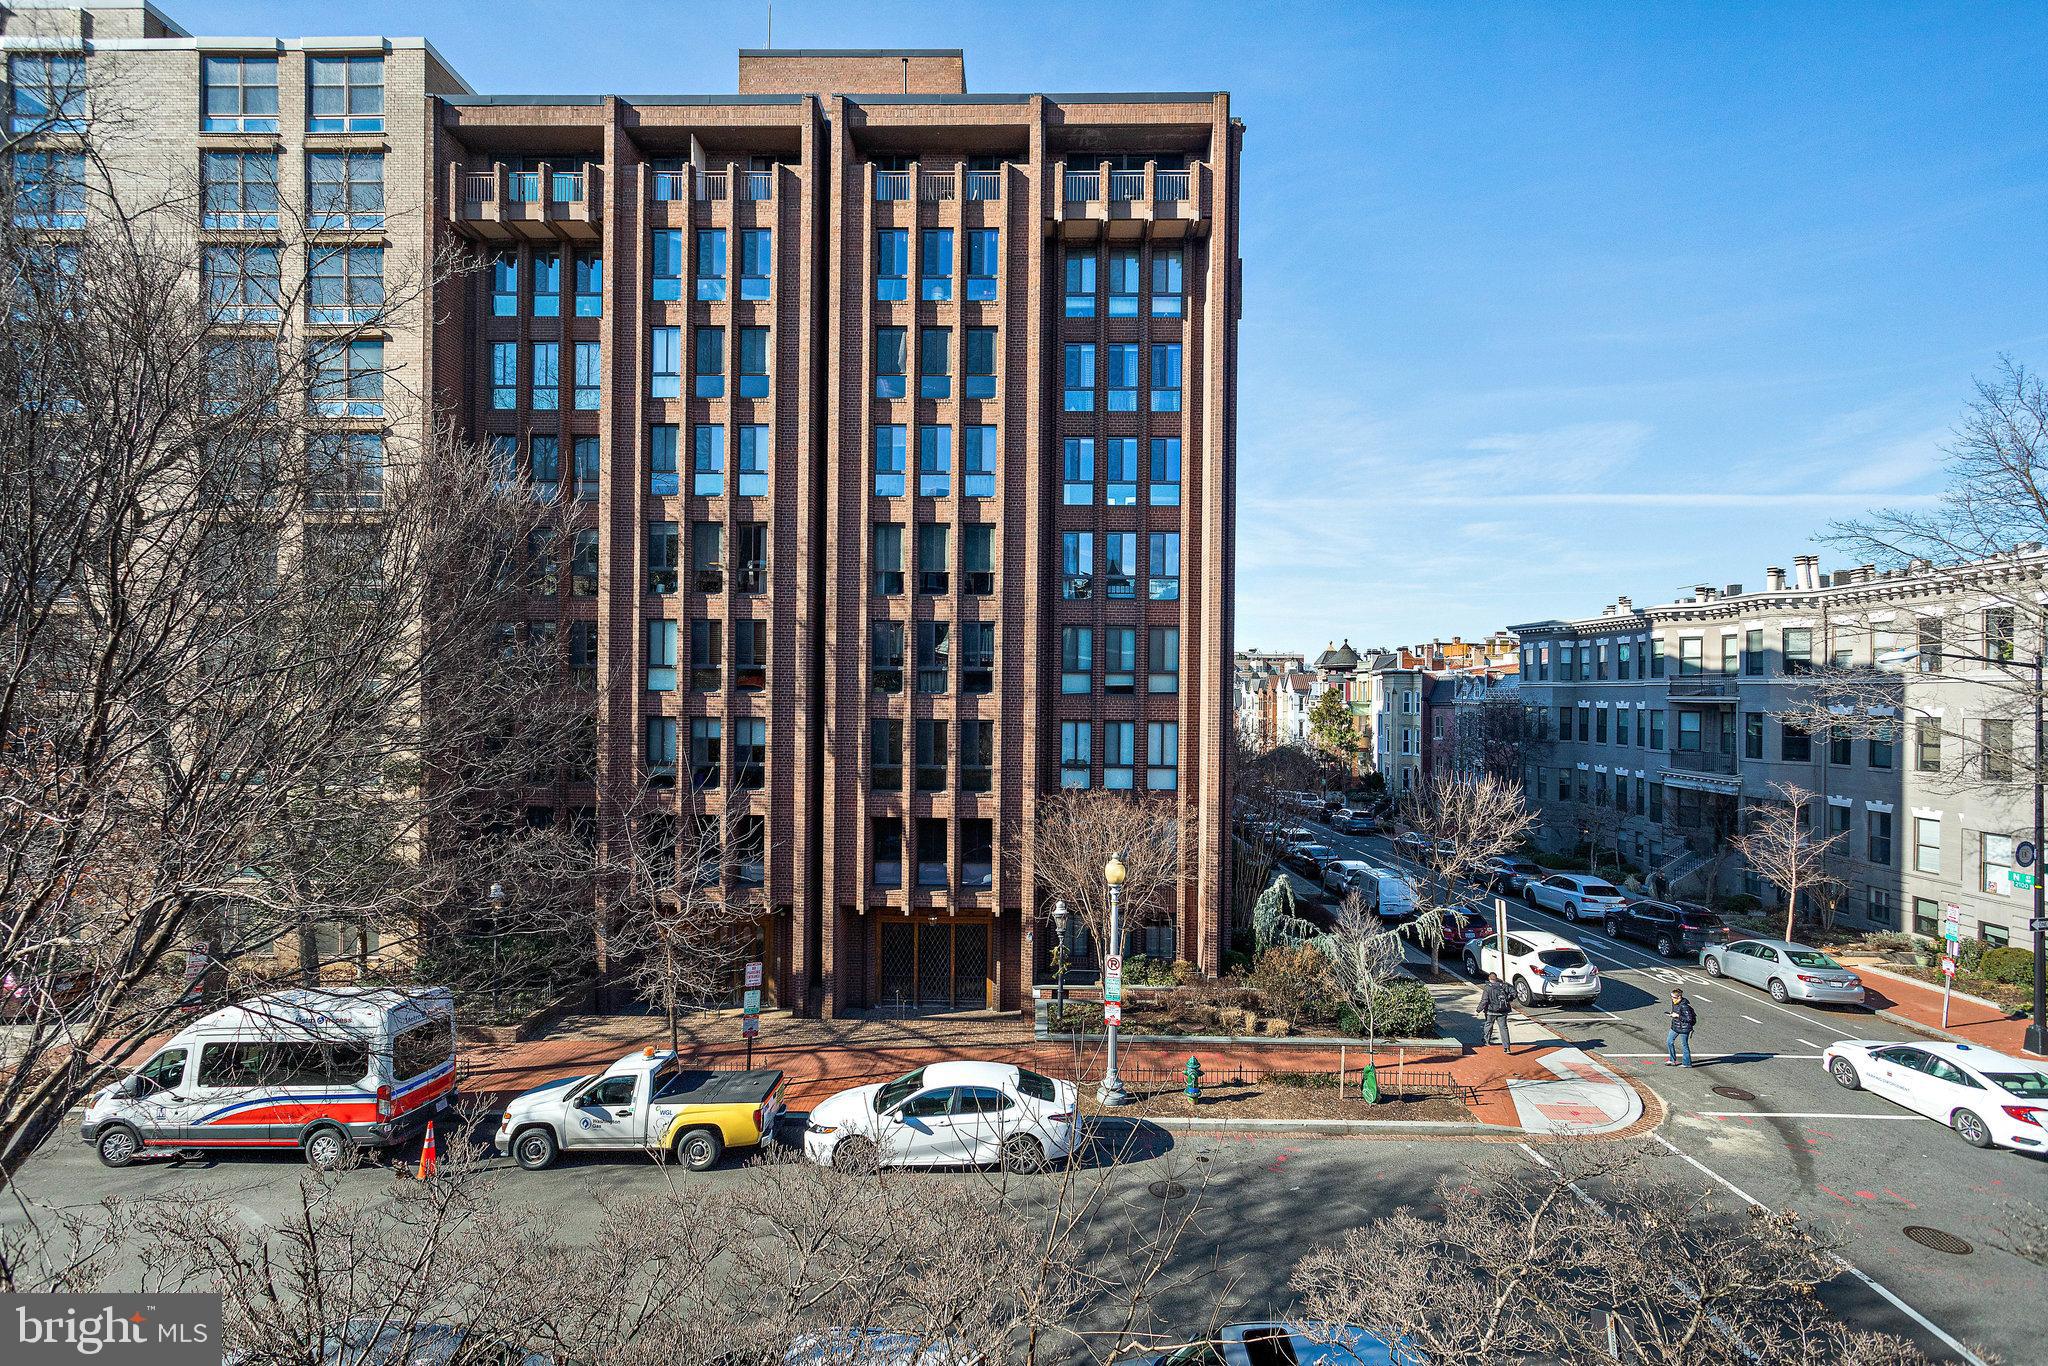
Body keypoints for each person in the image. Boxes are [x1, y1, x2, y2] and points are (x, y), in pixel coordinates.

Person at [1478, 972, 1515, 1054]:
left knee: (1488, 1024)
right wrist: (1509, 1000)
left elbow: (1484, 1000)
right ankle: (1507, 1047)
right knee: (1503, 1028)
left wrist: (1479, 1009)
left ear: (1489, 978)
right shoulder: (1504, 985)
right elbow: (1514, 993)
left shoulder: (1488, 988)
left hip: (1491, 1011)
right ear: (1496, 978)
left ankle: (1486, 1041)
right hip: (1503, 1011)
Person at [1666, 988, 1697, 1067]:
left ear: (1679, 997)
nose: (1672, 998)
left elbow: (1689, 1019)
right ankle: (1672, 1060)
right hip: (1675, 1026)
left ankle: (1687, 1063)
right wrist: (1672, 1014)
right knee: (1669, 1041)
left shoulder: (1684, 1006)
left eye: (1673, 997)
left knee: (1684, 1045)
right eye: (1671, 996)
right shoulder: (1675, 1002)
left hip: (1684, 1028)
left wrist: (1677, 1016)